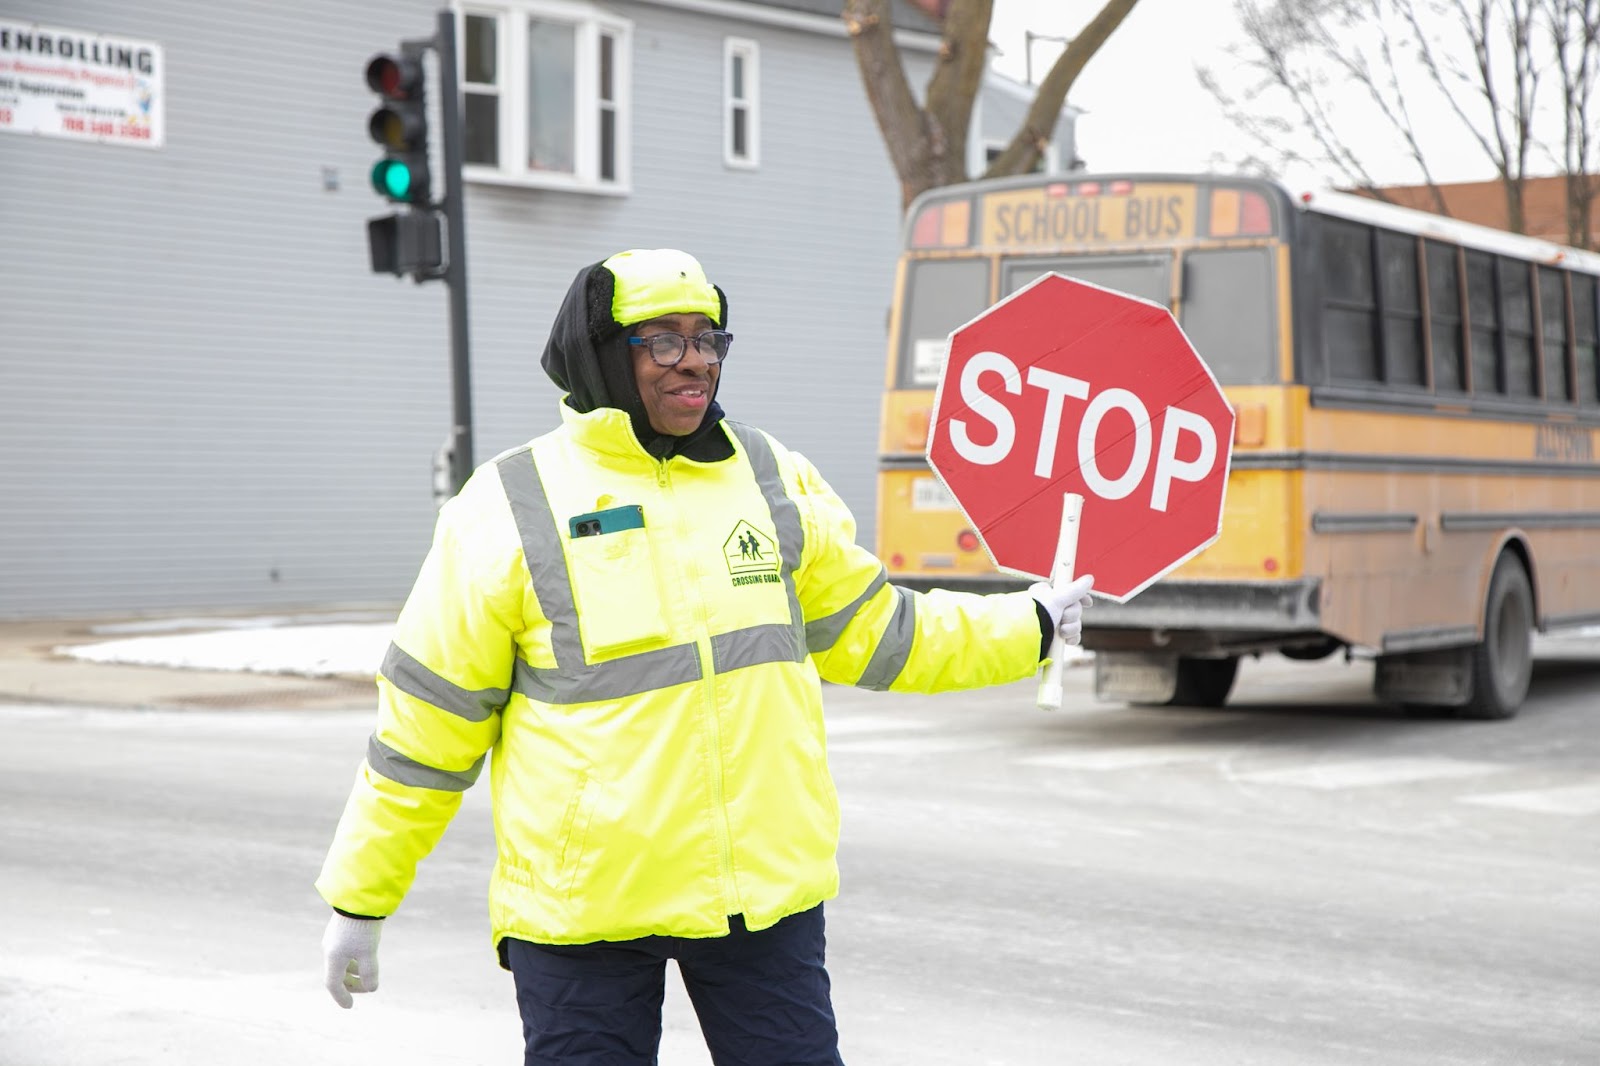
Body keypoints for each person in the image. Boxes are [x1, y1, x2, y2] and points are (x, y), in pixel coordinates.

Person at [316, 248, 1095, 1065]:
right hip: (585, 915)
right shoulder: (509, 504)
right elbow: (425, 732)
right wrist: (360, 901)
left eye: (709, 338)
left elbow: (882, 633)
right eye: (663, 341)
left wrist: (1029, 624)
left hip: (759, 902)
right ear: (602, 354)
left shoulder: (770, 477)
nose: (695, 361)